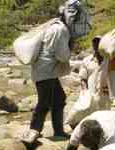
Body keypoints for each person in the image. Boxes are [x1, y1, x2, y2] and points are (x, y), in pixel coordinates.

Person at [25, 0, 90, 142]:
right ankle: (33, 131)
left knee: (59, 99)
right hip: (45, 72)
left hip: (46, 71)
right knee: (45, 102)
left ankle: (58, 131)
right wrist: (71, 46)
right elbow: (62, 56)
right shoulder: (60, 30)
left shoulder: (57, 27)